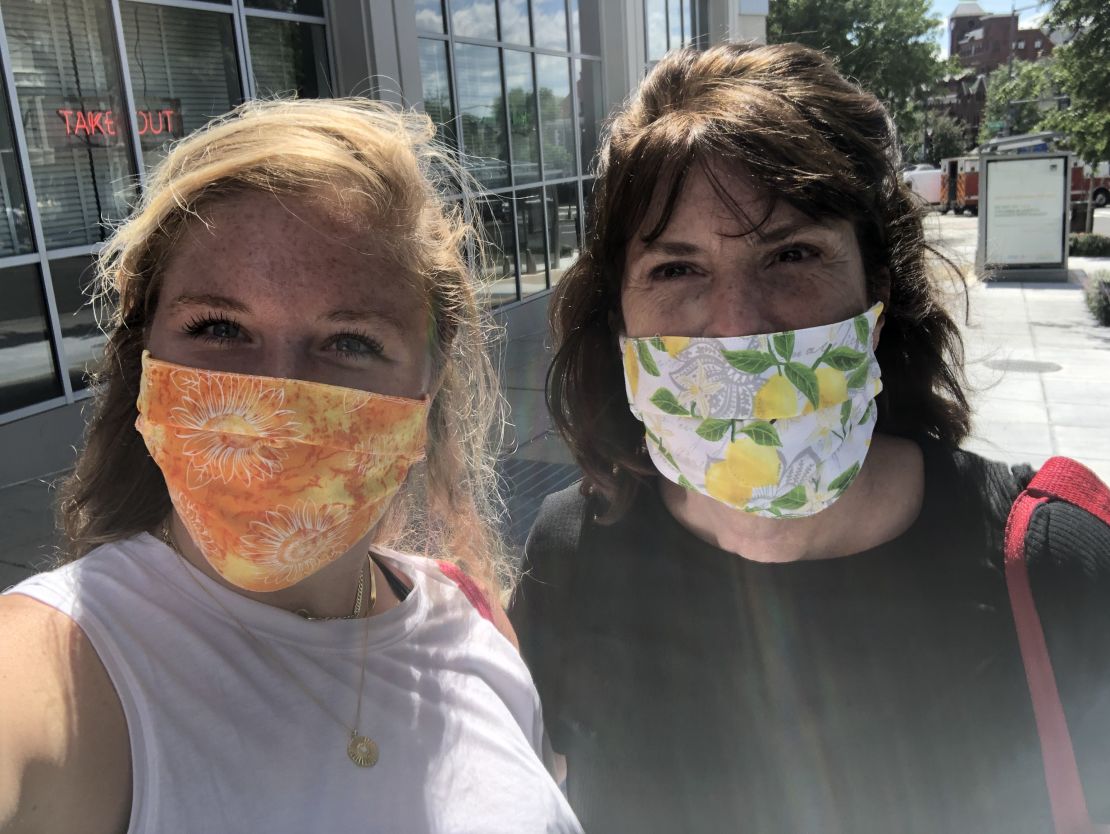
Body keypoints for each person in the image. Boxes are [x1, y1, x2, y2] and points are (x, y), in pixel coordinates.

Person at [511, 43, 1110, 833]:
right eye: (675, 269)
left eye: (792, 254)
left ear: (878, 288)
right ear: (620, 315)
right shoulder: (571, 554)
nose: (737, 323)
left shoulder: (1062, 565)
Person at [0, 98, 581, 834]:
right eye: (219, 327)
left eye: (350, 342)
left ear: (425, 385)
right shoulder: (58, 666)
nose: (273, 397)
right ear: (144, 359)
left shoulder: (472, 617)